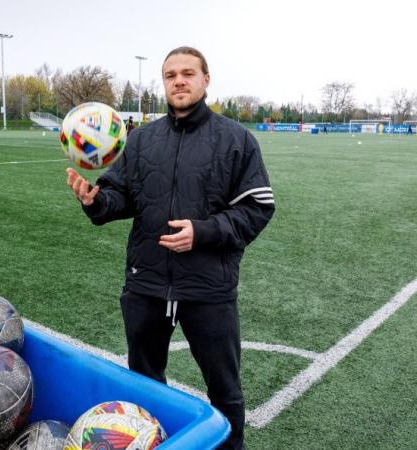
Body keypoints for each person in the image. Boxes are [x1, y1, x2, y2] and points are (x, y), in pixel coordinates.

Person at [65, 46, 274, 449]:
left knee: (225, 391)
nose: (179, 81)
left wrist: (204, 231)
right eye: (170, 75)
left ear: (205, 80)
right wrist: (94, 200)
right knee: (145, 388)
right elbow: (118, 196)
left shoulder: (236, 140)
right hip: (146, 285)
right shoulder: (142, 140)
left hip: (208, 290)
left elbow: (258, 208)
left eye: (188, 74)